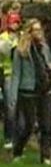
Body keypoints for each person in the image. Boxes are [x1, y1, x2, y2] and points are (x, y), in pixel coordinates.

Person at [9, 19, 51, 164]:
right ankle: (18, 150)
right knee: (29, 124)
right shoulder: (21, 50)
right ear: (28, 32)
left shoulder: (44, 47)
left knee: (46, 124)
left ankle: (46, 156)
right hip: (28, 89)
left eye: (39, 29)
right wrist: (13, 94)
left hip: (44, 88)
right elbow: (16, 73)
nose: (38, 33)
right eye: (35, 30)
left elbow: (50, 63)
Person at [0, 13, 21, 150]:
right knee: (10, 108)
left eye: (17, 22)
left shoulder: (21, 36)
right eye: (13, 22)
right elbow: (4, 53)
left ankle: (18, 137)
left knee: (20, 109)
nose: (15, 25)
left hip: (20, 75)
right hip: (8, 74)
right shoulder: (3, 38)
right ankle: (9, 137)